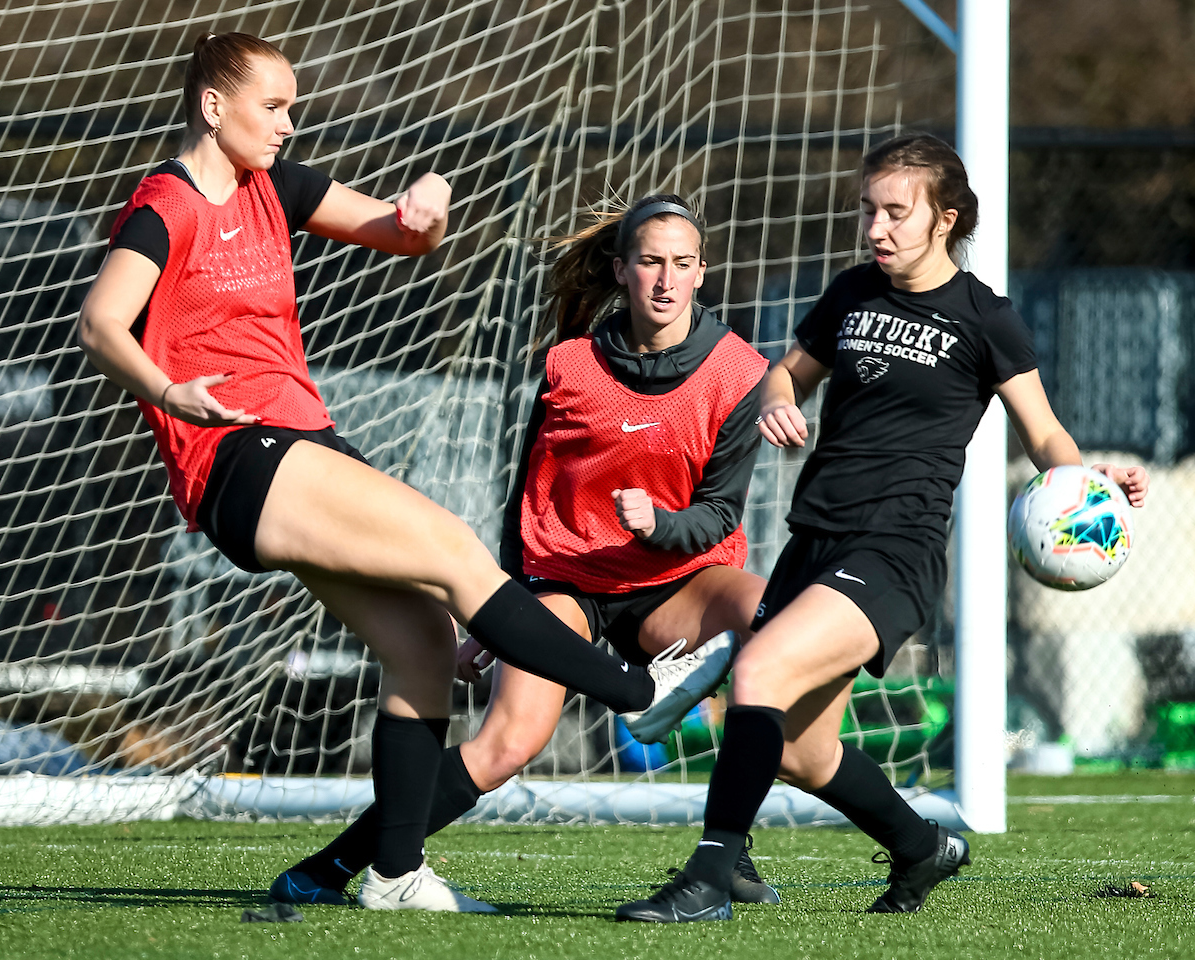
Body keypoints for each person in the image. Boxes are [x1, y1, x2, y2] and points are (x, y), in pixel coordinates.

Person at [75, 32, 732, 915]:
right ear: (212, 105)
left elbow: (400, 234)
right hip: (237, 452)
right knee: (455, 549)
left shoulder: (280, 188)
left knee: (422, 644)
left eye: (293, 106)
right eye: (272, 106)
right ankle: (637, 692)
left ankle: (391, 875)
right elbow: (101, 322)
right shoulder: (167, 204)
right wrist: (169, 391)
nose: (287, 123)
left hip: (298, 442)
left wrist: (429, 207)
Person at [614, 132, 1151, 923]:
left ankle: (707, 880)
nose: (877, 229)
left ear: (946, 218)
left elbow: (1042, 434)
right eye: (869, 210)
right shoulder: (851, 293)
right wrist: (778, 401)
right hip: (815, 539)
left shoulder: (984, 317)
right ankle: (919, 844)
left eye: (897, 212)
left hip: (893, 552)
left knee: (757, 673)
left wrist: (1083, 479)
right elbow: (785, 374)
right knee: (800, 751)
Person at [270, 194, 784, 907]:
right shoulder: (568, 364)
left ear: (703, 272)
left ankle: (733, 851)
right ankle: (329, 869)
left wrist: (658, 527)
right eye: (649, 263)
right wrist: (498, 611)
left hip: (679, 580)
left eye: (682, 264)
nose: (666, 280)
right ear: (620, 269)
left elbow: (721, 512)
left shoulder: (741, 372)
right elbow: (526, 498)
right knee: (506, 746)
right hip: (567, 584)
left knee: (774, 619)